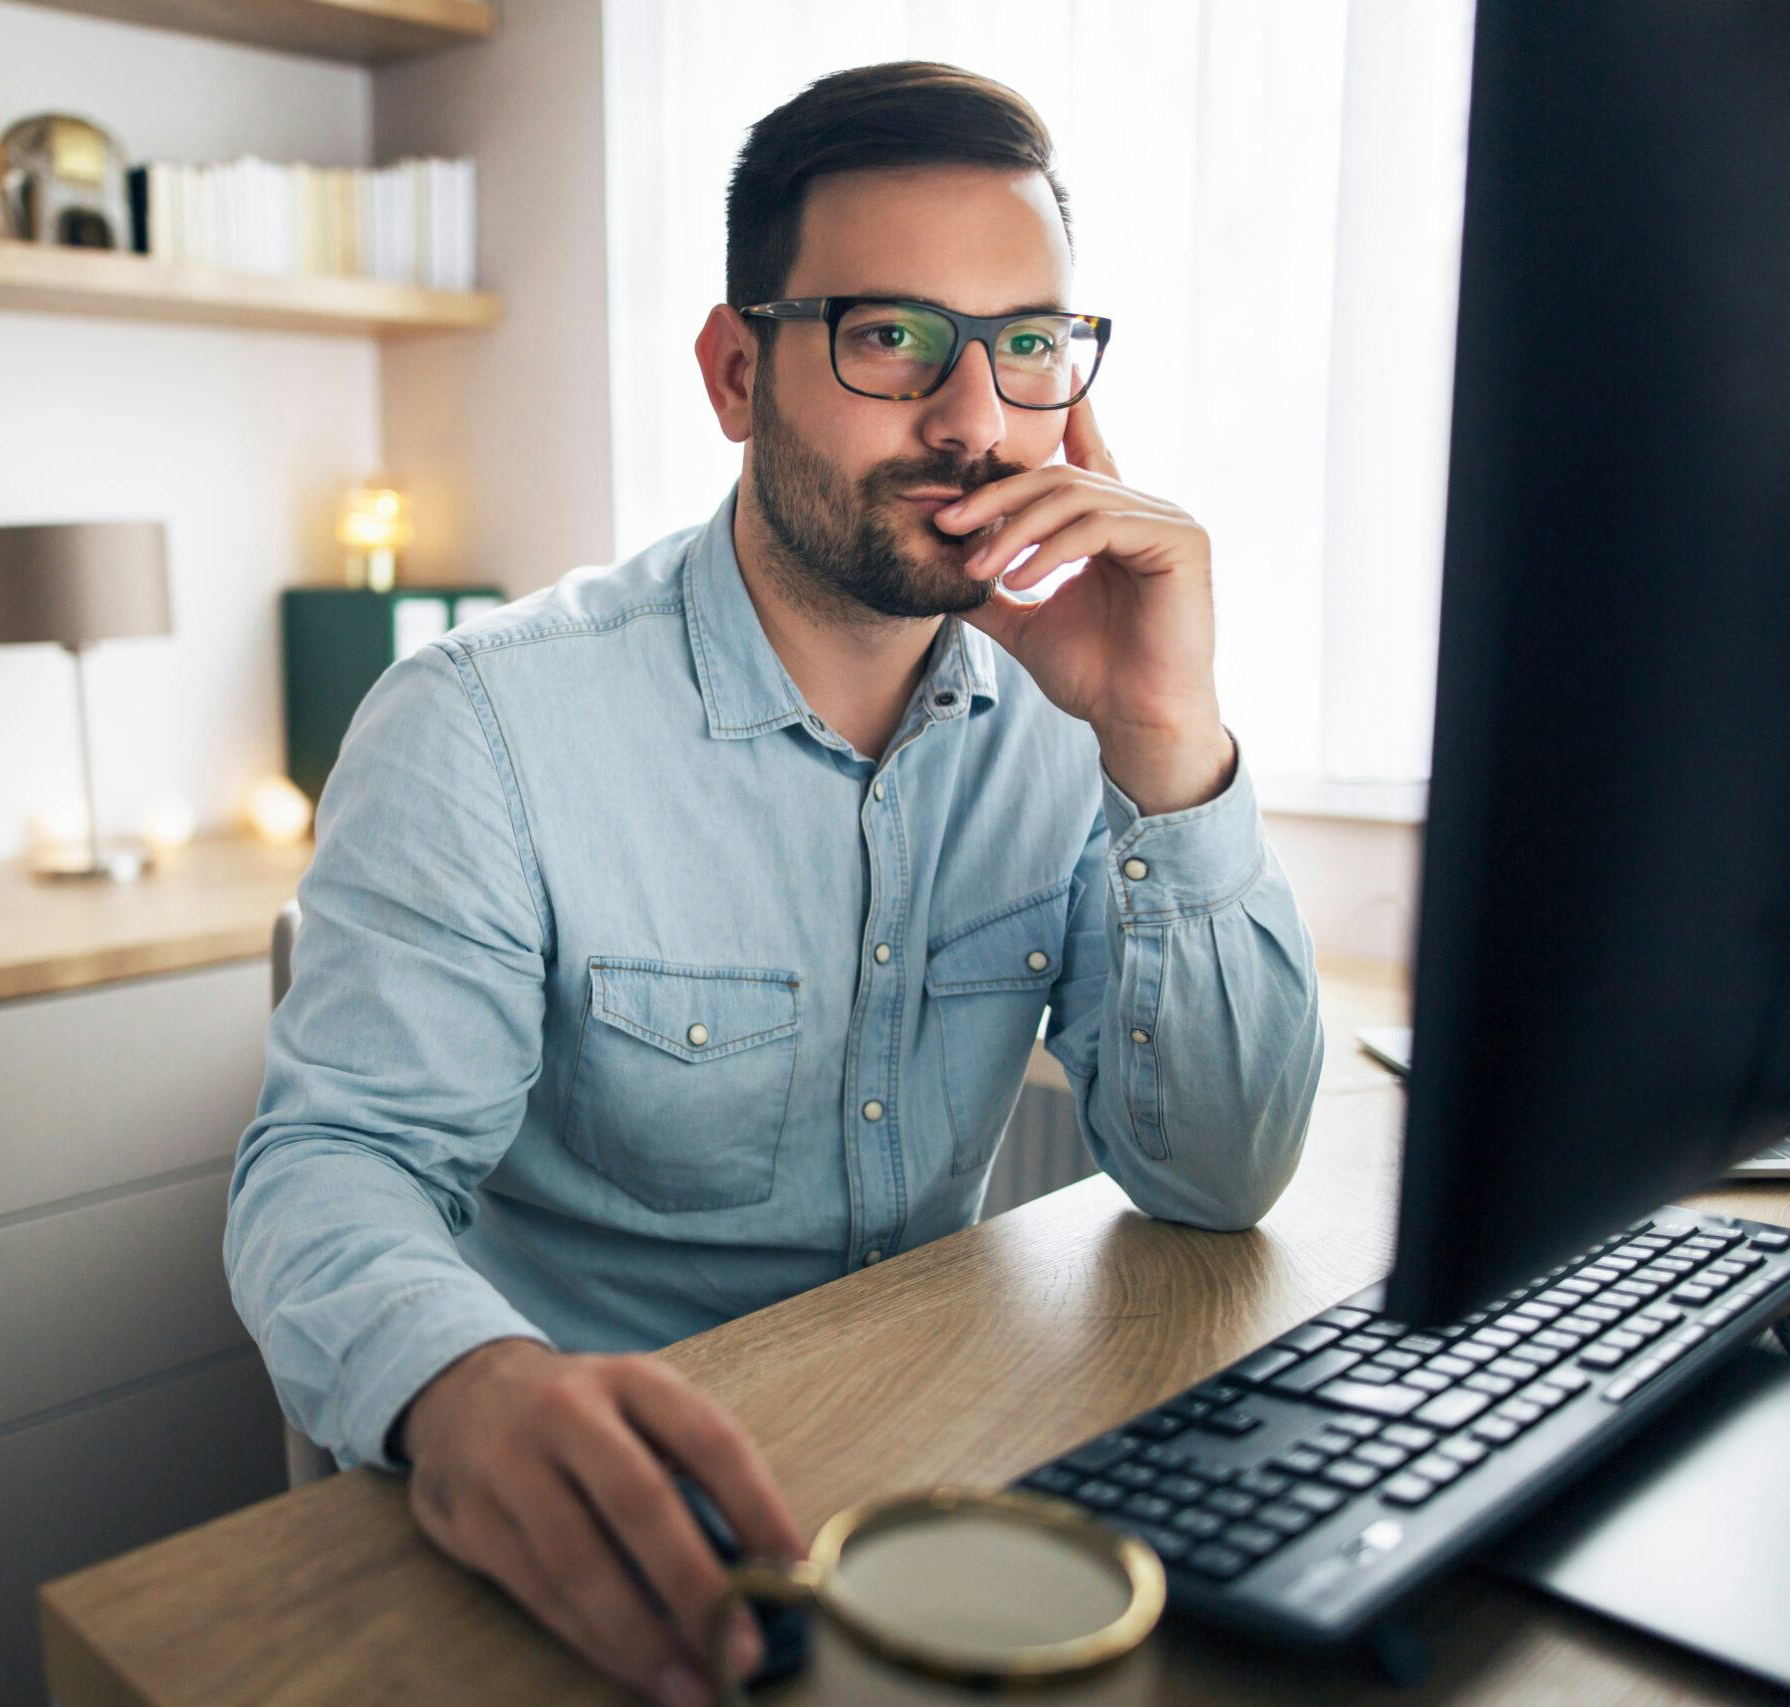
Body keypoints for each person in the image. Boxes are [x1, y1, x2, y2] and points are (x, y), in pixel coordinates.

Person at [224, 60, 1325, 1707]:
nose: (972, 420)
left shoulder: (1073, 711)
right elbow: (333, 1167)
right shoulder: (484, 726)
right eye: (892, 337)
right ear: (738, 373)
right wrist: (462, 1388)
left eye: (1026, 347)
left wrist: (1167, 736)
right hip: (611, 1532)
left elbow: (1218, 1174)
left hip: (932, 1488)